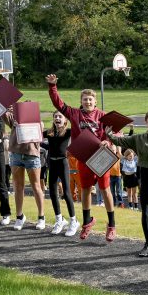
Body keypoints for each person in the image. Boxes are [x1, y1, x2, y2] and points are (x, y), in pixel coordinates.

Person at [47, 75, 118, 241]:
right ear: (82, 101)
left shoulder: (103, 115)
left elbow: (112, 134)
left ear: (95, 102)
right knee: (85, 190)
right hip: (84, 158)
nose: (88, 102)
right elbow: (58, 104)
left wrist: (107, 142)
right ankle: (87, 222)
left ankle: (111, 225)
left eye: (90, 100)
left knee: (105, 190)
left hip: (101, 158)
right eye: (85, 99)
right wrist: (52, 86)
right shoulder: (74, 114)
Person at [108, 110, 148, 257]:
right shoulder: (138, 138)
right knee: (145, 210)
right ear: (146, 123)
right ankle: (147, 242)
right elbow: (119, 141)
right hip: (144, 174)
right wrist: (108, 133)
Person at [5, 105, 46, 230]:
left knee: (36, 186)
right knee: (18, 186)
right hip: (16, 155)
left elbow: (40, 130)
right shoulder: (13, 119)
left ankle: (41, 217)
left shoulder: (38, 122)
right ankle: (19, 216)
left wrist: (24, 126)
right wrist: (6, 107)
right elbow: (2, 113)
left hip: (31, 156)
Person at [42, 112, 79, 236]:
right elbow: (38, 137)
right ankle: (60, 219)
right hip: (52, 164)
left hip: (63, 163)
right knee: (52, 193)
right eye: (55, 116)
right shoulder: (49, 132)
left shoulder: (68, 132)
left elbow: (79, 129)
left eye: (60, 117)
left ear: (65, 121)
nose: (57, 118)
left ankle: (73, 221)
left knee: (67, 193)